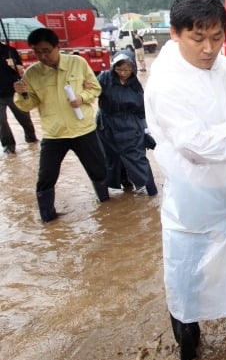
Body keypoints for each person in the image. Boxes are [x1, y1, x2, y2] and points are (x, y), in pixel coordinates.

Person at [144, 0, 226, 360]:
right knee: (189, 275)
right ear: (175, 33)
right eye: (197, 38)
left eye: (217, 38)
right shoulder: (167, 82)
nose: (208, 48)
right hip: (195, 195)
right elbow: (196, 147)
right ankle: (188, 341)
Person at [13, 28, 109, 223]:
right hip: (54, 134)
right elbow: (28, 105)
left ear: (58, 47)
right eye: (37, 52)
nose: (42, 56)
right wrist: (21, 93)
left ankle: (107, 210)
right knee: (45, 178)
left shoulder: (77, 63)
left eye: (46, 50)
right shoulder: (32, 74)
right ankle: (47, 219)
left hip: (83, 129)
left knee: (98, 170)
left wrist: (82, 97)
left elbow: (96, 88)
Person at [96, 53, 157, 196]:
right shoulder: (104, 78)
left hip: (130, 127)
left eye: (127, 70)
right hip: (107, 125)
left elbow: (142, 109)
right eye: (119, 69)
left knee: (137, 158)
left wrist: (145, 129)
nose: (123, 73)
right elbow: (91, 92)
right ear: (113, 68)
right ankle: (124, 186)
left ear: (133, 69)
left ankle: (151, 190)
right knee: (111, 158)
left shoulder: (135, 86)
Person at [0, 40, 38, 154]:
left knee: (24, 118)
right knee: (1, 122)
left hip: (14, 92)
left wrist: (13, 65)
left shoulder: (9, 51)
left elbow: (21, 71)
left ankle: (32, 139)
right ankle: (9, 146)